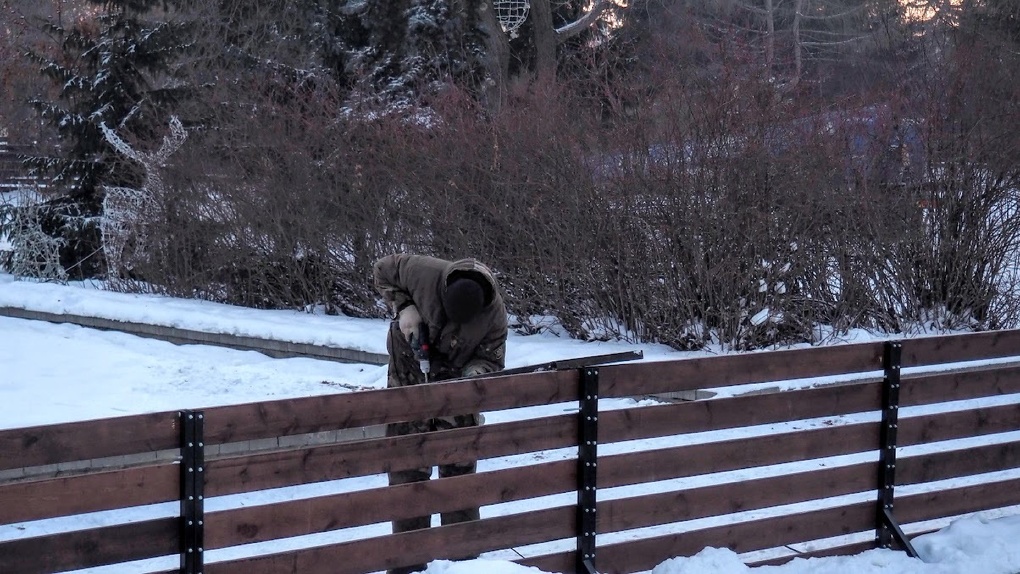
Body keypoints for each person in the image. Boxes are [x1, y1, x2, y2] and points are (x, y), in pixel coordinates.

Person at [372, 253, 508, 573]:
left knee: (458, 470)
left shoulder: (494, 317)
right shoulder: (421, 271)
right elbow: (381, 271)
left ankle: (461, 562)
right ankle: (408, 560)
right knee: (408, 466)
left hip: (458, 382)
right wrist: (404, 306)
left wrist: (475, 376)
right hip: (409, 369)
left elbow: (491, 360)